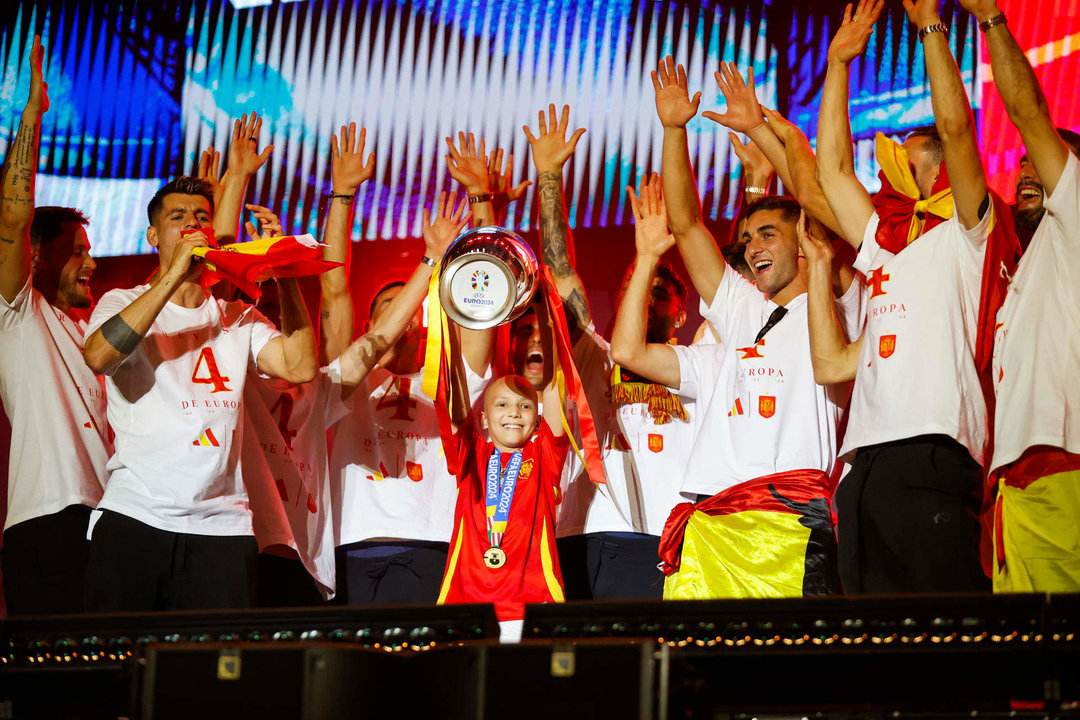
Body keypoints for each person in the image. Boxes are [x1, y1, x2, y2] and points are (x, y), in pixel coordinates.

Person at [623, 59, 862, 598]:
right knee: (694, 675)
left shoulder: (840, 301)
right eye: (749, 237)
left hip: (789, 520)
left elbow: (822, 194)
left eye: (769, 235)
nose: (753, 246)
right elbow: (686, 226)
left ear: (807, 242)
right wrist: (674, 130)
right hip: (710, 520)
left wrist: (763, 130)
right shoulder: (740, 306)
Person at [812, 0, 1000, 593]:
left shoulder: (967, 231)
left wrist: (929, 30)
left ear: (933, 170)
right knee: (873, 648)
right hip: (864, 461)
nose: (888, 167)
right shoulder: (882, 241)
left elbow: (957, 129)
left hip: (932, 448)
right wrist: (838, 66)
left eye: (904, 160)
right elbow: (832, 170)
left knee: (946, 635)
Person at [81, 162, 318, 609]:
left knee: (212, 672)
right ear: (153, 236)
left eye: (202, 217)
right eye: (178, 217)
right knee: (117, 665)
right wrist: (174, 274)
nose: (193, 223)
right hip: (136, 515)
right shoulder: (123, 301)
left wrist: (284, 272)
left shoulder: (236, 316)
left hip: (222, 527)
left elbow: (300, 367)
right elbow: (98, 355)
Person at [524, 104, 694, 601]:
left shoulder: (700, 365)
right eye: (633, 287)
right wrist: (549, 177)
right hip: (589, 531)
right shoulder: (594, 356)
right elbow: (558, 273)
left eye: (659, 290)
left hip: (672, 537)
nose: (642, 296)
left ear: (681, 314)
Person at [324, 124, 489, 606]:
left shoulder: (450, 380)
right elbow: (334, 287)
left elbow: (487, 305)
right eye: (388, 310)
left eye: (411, 310)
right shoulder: (349, 379)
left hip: (429, 545)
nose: (401, 320)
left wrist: (480, 198)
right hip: (350, 545)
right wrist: (342, 195)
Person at [962, 0, 1080, 591]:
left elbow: (1030, 113)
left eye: (1047, 162)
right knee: (1032, 674)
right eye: (1023, 166)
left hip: (1064, 464)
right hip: (1015, 482)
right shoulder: (1021, 270)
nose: (1028, 171)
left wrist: (990, 20)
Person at [0, 37, 110, 615]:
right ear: (38, 256)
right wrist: (32, 117)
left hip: (111, 519)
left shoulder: (96, 332)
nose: (91, 262)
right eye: (77, 252)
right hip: (47, 517)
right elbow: (13, 216)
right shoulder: (17, 313)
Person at [436, 304, 569, 628]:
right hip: (466, 601)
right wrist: (451, 316)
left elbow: (552, 386)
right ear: (483, 418)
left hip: (533, 603)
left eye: (525, 406)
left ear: (536, 420)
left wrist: (548, 316)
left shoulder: (544, 457)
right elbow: (454, 394)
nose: (514, 412)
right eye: (501, 404)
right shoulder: (471, 455)